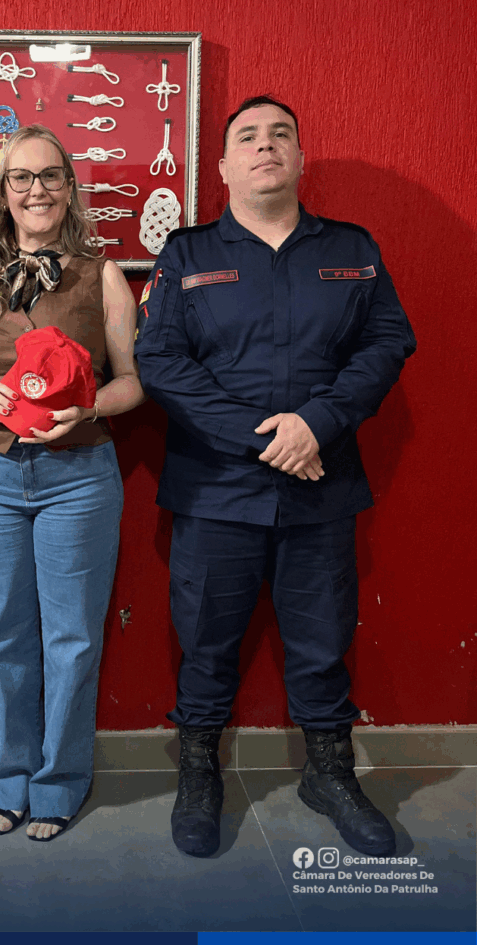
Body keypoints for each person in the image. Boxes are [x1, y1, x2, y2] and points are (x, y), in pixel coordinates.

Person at [134, 96, 416, 859]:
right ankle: (198, 773)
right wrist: (265, 439)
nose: (265, 146)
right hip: (215, 489)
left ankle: (329, 773)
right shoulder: (186, 255)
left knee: (323, 640)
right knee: (205, 641)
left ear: (298, 158)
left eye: (280, 135)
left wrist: (315, 422)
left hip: (319, 483)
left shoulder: (350, 248)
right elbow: (159, 361)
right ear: (224, 166)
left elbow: (387, 342)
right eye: (248, 137)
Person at [0, 124, 144, 841]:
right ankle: (13, 778)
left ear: (69, 187)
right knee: (2, 636)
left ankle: (59, 782)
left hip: (79, 478)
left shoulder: (104, 275)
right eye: (21, 178)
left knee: (72, 639)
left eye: (51, 176)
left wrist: (88, 408)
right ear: (1, 192)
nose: (37, 190)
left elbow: (132, 382)